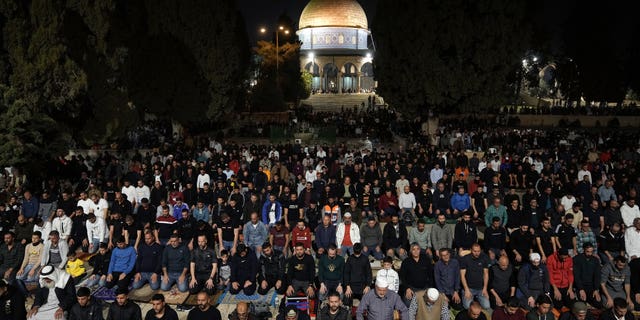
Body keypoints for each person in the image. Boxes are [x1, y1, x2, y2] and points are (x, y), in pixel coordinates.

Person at [460, 243, 491, 310]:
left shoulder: (484, 258)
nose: (477, 253)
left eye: (478, 251)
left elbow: (486, 274)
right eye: (475, 251)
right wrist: (466, 289)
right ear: (471, 250)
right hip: (469, 288)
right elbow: (462, 276)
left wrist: (485, 288)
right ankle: (473, 299)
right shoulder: (465, 259)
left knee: (487, 306)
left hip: (480, 289)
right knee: (467, 307)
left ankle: (476, 299)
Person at [573, 242, 602, 309]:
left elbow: (597, 276)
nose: (589, 254)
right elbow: (576, 275)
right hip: (580, 286)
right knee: (581, 305)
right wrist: (581, 289)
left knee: (598, 304)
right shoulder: (577, 259)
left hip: (591, 287)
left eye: (591, 252)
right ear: (583, 250)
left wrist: (596, 289)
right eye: (587, 251)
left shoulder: (595, 260)